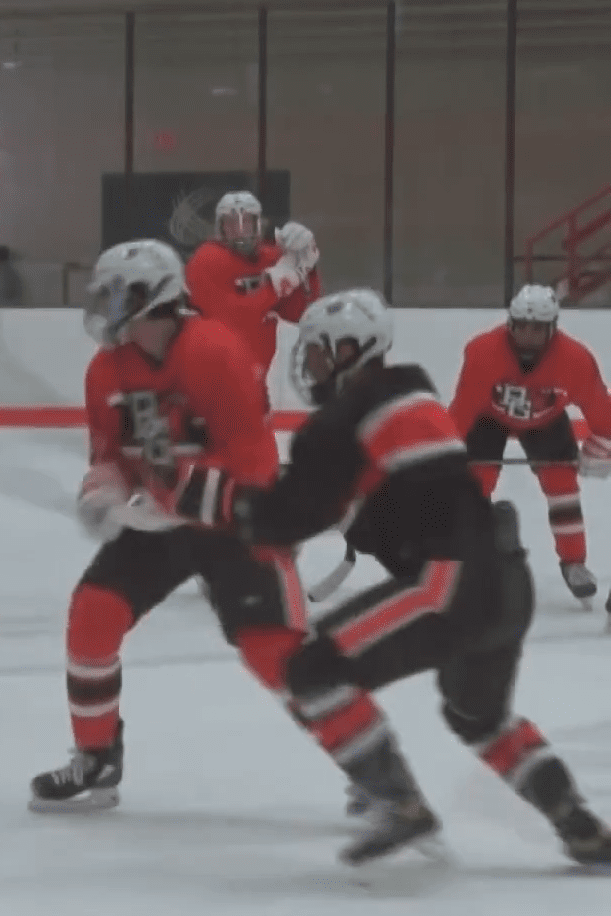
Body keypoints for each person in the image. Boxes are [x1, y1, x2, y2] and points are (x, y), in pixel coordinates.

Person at [150, 288, 611, 867]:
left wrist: (190, 491)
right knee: (479, 718)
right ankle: (579, 822)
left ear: (348, 350)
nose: (309, 366)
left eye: (317, 353)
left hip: (452, 582)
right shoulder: (410, 394)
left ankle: (397, 803)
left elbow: (286, 516)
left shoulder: (344, 419)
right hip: (505, 576)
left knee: (312, 670)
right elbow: (364, 495)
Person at [29, 240, 314, 814]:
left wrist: (176, 493)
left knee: (276, 654)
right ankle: (97, 756)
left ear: (151, 298)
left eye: (116, 296)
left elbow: (255, 469)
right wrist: (103, 493)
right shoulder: (106, 370)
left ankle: (374, 770)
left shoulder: (214, 352)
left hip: (233, 524)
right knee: (93, 614)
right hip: (161, 522)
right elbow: (110, 455)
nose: (105, 308)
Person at [447, 283, 611, 604]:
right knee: (476, 484)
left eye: (537, 329)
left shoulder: (576, 360)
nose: (527, 336)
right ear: (510, 323)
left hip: (546, 421)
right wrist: (443, 454)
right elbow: (462, 412)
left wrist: (600, 447)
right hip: (489, 417)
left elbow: (603, 414)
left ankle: (574, 563)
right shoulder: (482, 351)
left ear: (553, 328)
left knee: (562, 485)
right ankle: (466, 559)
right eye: (521, 326)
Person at [184, 191, 321, 404]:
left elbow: (299, 313)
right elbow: (233, 318)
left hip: (257, 383)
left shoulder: (270, 257)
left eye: (246, 222)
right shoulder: (206, 260)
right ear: (220, 228)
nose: (240, 231)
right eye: (231, 224)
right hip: (212, 381)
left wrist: (305, 266)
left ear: (258, 224)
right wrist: (277, 284)